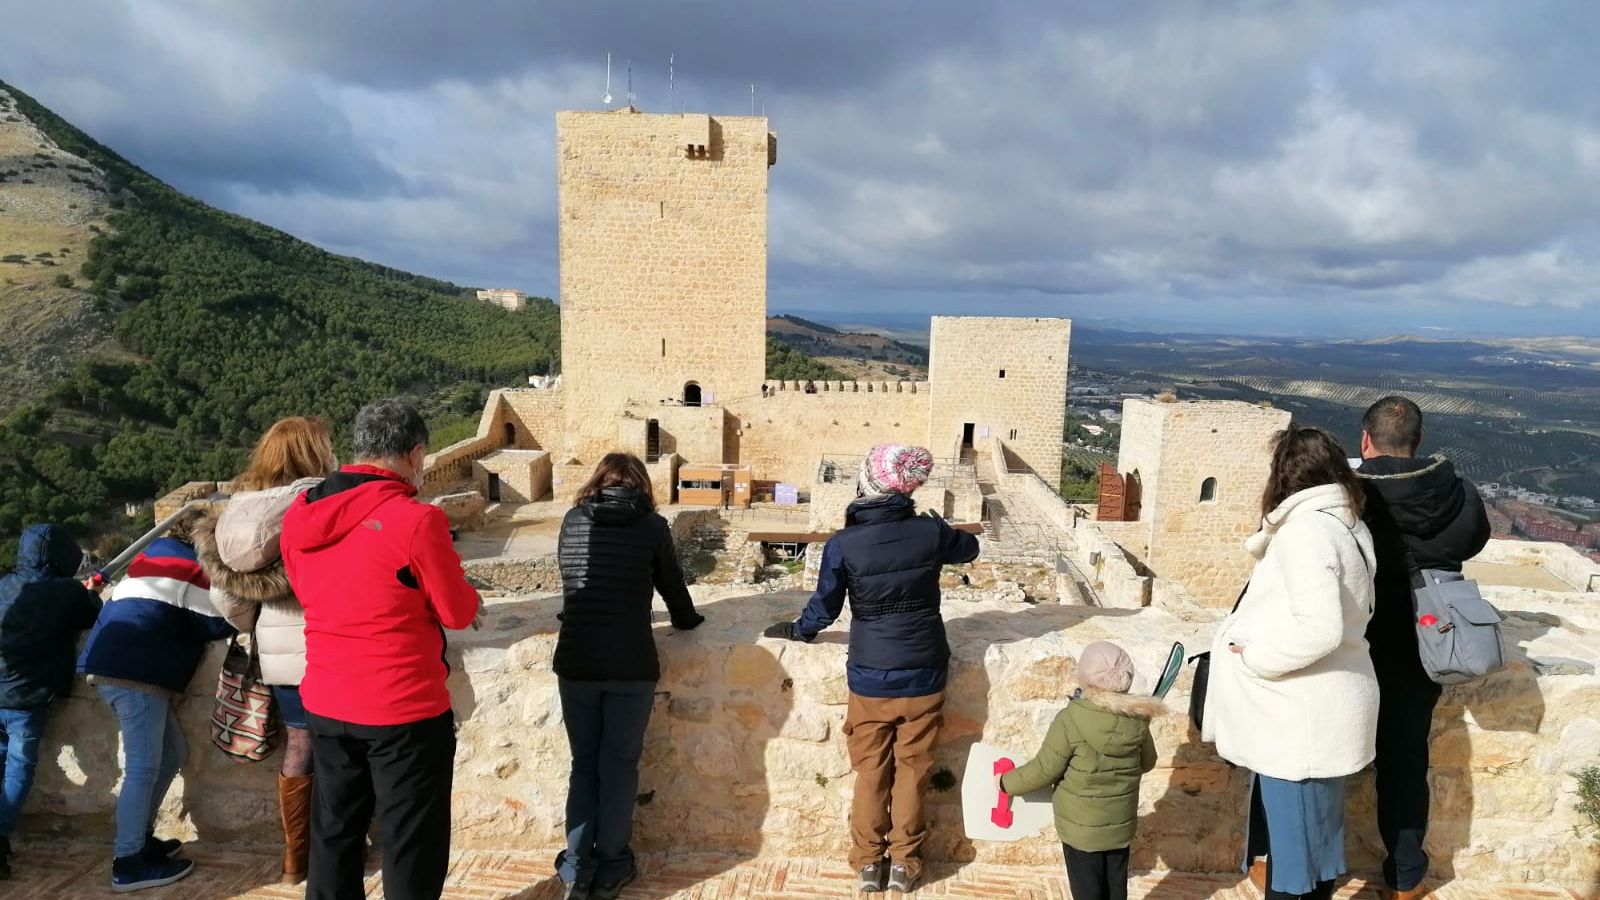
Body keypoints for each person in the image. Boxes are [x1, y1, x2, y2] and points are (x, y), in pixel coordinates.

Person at [280, 398, 481, 900]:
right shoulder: (415, 520)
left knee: (335, 835)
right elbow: (456, 612)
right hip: (402, 708)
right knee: (411, 842)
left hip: (326, 699)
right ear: (415, 455)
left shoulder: (301, 514)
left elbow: (310, 592)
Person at [763, 443, 981, 894]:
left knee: (872, 772)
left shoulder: (845, 543)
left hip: (870, 674)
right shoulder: (929, 533)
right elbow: (970, 548)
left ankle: (867, 862)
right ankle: (905, 862)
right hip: (924, 670)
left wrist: (797, 631)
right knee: (914, 769)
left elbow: (823, 610)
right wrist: (938, 526)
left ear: (868, 484)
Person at [1203, 425, 1378, 900]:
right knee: (1316, 852)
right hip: (1326, 709)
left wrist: (1257, 657)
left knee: (1294, 864)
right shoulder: (1348, 523)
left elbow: (1320, 628)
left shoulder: (1307, 533)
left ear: (1283, 477)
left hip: (1300, 724)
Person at [552, 453, 704, 900]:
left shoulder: (572, 519)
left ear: (598, 481)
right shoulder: (652, 526)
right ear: (640, 485)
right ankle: (613, 866)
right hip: (630, 664)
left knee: (584, 766)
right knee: (618, 768)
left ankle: (577, 869)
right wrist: (689, 621)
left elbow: (572, 580)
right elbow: (672, 586)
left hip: (577, 658)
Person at [1356, 396, 1490, 900]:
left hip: (1357, 641)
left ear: (1365, 441)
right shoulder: (1460, 493)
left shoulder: (1350, 497)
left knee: (1321, 755)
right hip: (1427, 643)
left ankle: (1307, 865)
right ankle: (1407, 875)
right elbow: (1473, 539)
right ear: (1418, 441)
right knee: (1406, 760)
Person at [193, 416, 337, 885]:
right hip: (329, 644)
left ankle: (296, 858)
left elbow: (224, 596)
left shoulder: (240, 511)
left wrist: (253, 625)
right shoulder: (319, 499)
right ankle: (338, 850)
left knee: (299, 746)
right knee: (341, 749)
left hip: (276, 656)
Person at [78, 514, 233, 892]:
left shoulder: (151, 556)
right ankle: (128, 862)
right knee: (144, 767)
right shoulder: (189, 564)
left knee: (170, 754)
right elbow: (215, 621)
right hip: (137, 673)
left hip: (112, 662)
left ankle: (142, 841)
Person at [998, 640, 1159, 900]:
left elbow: (1044, 769)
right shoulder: (1138, 719)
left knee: (1087, 891)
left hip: (1080, 831)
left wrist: (1005, 783)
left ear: (1085, 679)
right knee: (1116, 889)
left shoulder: (1070, 720)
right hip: (1119, 826)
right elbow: (1148, 762)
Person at [0, 524, 105, 880]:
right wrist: (90, 592)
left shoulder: (4, 585)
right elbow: (92, 614)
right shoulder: (64, 592)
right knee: (18, 766)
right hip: (26, 697)